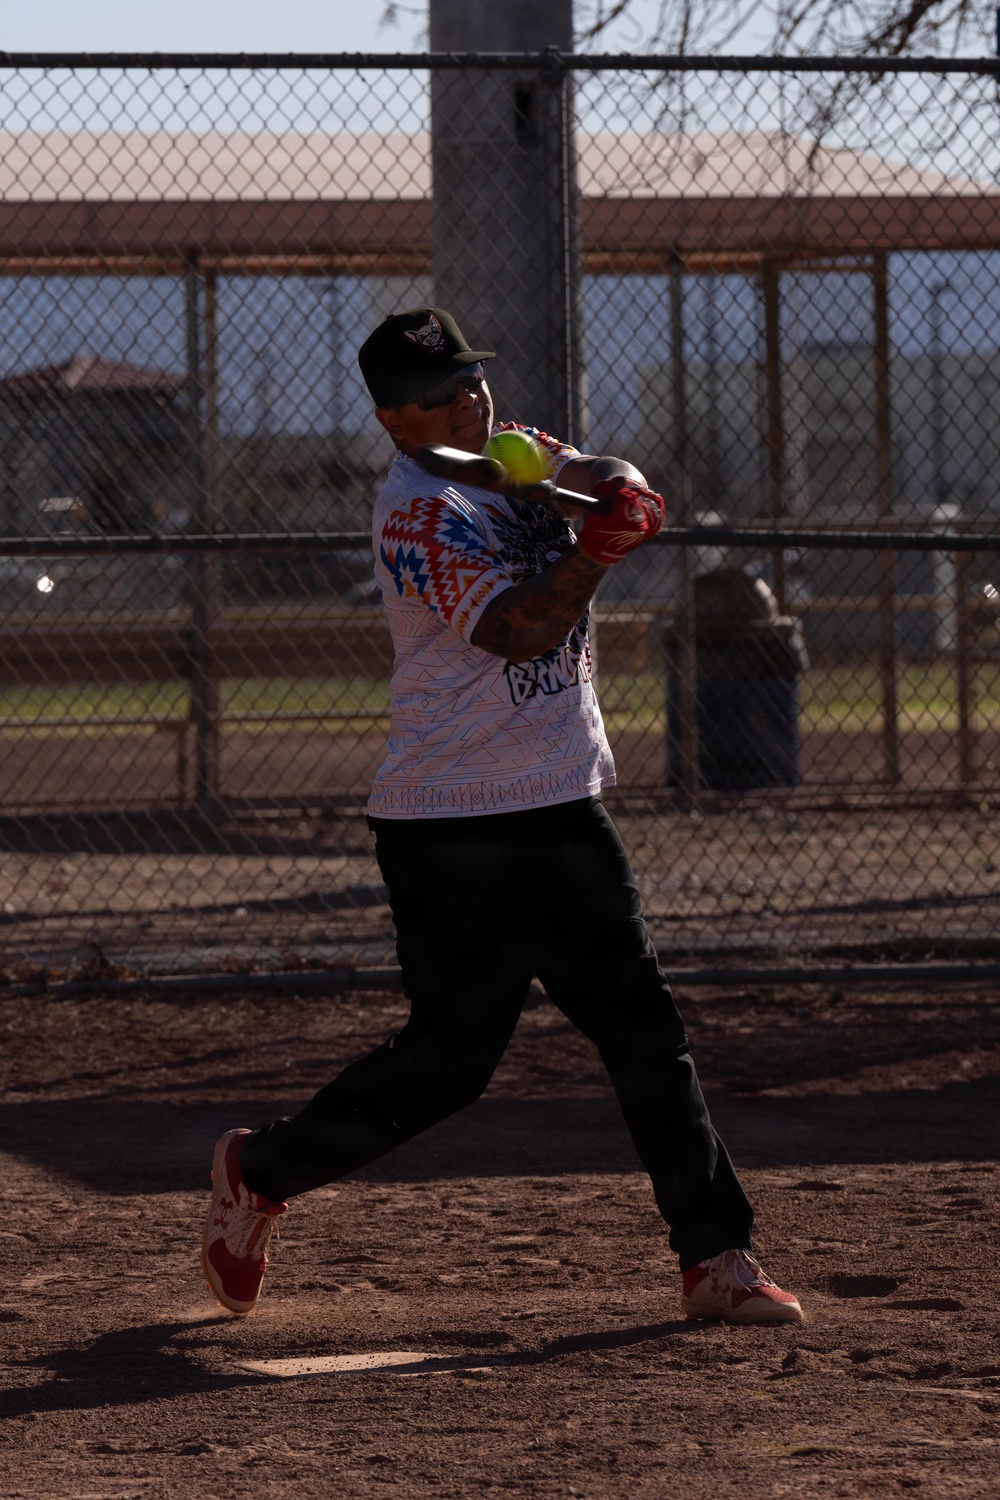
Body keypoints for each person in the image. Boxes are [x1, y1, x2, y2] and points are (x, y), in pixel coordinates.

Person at [201, 306, 803, 1327]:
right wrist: (600, 552)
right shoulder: (416, 515)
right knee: (448, 1067)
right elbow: (517, 631)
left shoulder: (512, 458)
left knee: (644, 1035)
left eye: (472, 380)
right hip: (451, 828)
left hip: (562, 806)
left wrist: (613, 486)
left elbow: (595, 472)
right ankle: (258, 1171)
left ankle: (716, 1256)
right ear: (392, 418)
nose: (469, 402)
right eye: (439, 395)